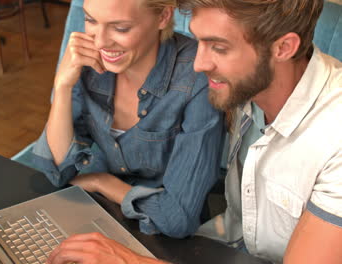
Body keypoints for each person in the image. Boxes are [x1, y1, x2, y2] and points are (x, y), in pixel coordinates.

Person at [45, 0, 342, 263]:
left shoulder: (335, 132)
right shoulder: (245, 88)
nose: (198, 64)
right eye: (199, 41)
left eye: (219, 47)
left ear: (283, 48)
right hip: (219, 246)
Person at [27, 0, 224, 238]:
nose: (100, 42)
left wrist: (103, 182)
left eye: (120, 28)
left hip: (161, 237)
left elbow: (177, 218)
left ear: (163, 16)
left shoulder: (197, 77)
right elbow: (56, 172)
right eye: (90, 20)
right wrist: (62, 87)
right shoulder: (87, 61)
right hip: (97, 213)